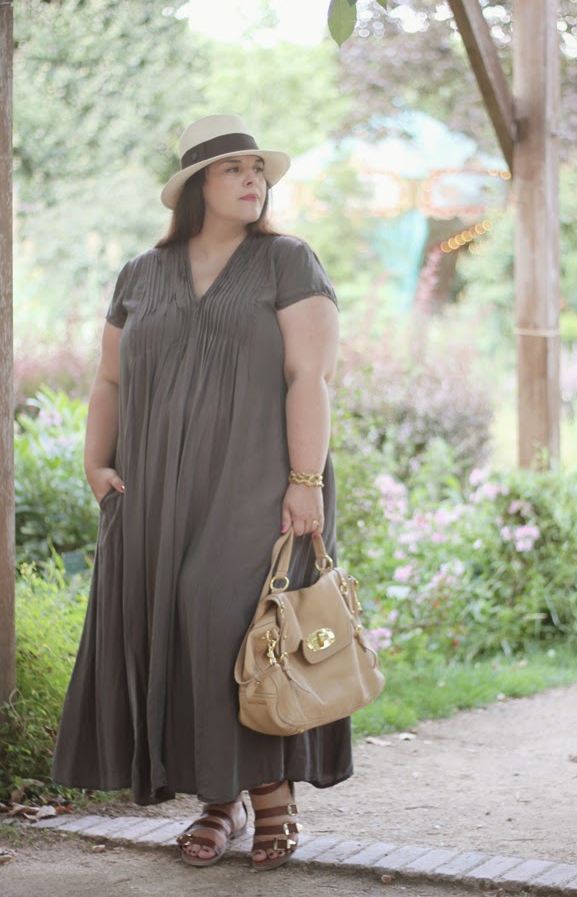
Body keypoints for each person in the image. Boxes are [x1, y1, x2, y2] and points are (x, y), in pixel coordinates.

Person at [52, 114, 353, 871]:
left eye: (259, 170)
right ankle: (220, 800)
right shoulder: (140, 273)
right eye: (234, 170)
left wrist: (305, 480)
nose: (254, 180)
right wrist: (95, 464)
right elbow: (109, 379)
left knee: (229, 619)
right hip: (153, 487)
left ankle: (272, 797)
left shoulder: (287, 260)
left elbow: (309, 377)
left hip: (259, 480)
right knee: (174, 629)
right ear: (195, 187)